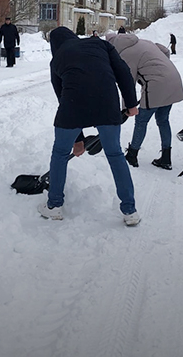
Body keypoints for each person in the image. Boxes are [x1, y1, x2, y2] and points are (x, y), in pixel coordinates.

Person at [39, 26, 141, 226]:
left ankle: (54, 206)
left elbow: (62, 97)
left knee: (60, 153)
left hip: (72, 107)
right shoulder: (100, 45)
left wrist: (77, 140)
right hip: (107, 104)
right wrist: (131, 103)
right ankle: (130, 211)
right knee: (115, 154)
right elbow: (123, 73)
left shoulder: (57, 59)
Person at [106, 32, 183, 170]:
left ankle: (132, 155)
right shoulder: (144, 42)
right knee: (163, 120)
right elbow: (165, 50)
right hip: (173, 79)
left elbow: (127, 83)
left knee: (141, 121)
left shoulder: (125, 54)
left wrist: (127, 109)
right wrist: (160, 67)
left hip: (157, 85)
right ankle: (166, 158)